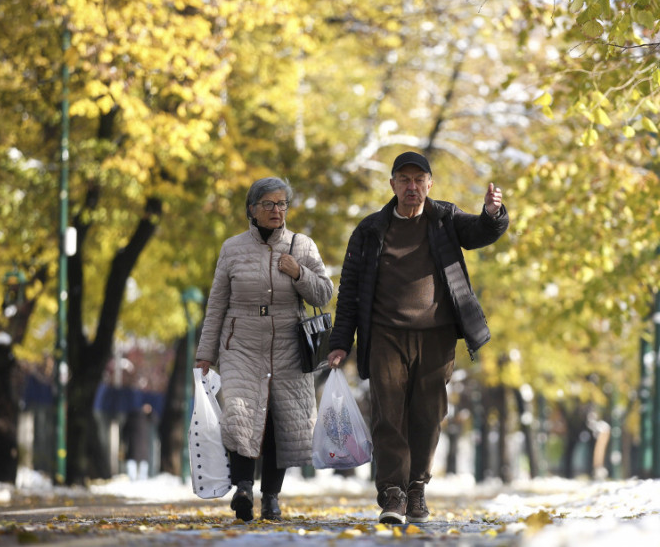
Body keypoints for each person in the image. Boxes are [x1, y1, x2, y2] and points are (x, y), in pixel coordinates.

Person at [327, 151, 509, 524]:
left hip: (436, 336)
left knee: (428, 415)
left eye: (419, 180)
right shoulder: (369, 230)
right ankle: (392, 491)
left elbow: (478, 232)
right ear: (392, 184)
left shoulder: (444, 219)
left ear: (430, 183)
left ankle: (416, 489)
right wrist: (340, 341)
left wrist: (492, 214)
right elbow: (349, 291)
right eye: (404, 180)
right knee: (387, 414)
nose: (412, 187)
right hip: (385, 335)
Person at [195, 176, 333, 522]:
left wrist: (299, 272)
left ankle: (271, 497)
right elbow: (216, 305)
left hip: (289, 343)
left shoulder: (302, 246)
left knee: (280, 421)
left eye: (282, 203)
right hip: (240, 341)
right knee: (240, 413)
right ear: (252, 210)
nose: (277, 210)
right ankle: (243, 487)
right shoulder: (232, 248)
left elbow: (324, 294)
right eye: (269, 204)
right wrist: (205, 353)